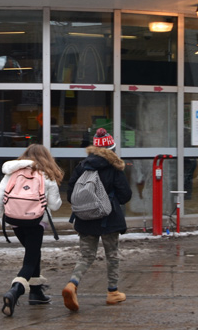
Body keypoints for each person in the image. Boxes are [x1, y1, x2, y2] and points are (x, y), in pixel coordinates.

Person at [62, 128, 132, 312]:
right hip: (109, 219)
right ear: (112, 149)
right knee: (112, 255)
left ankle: (72, 284)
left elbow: (70, 195)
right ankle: (112, 292)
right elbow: (125, 195)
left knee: (86, 256)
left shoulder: (81, 166)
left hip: (85, 219)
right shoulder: (114, 167)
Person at [0, 143, 63, 317]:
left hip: (16, 222)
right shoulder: (46, 174)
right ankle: (15, 291)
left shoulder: (12, 173)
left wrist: (4, 217)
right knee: (30, 260)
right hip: (36, 222)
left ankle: (36, 293)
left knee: (33, 253)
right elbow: (55, 205)